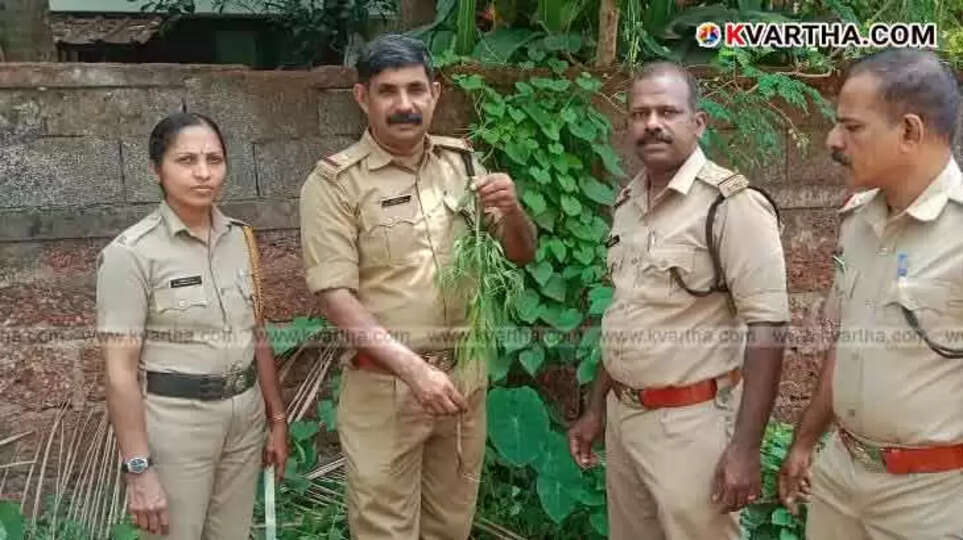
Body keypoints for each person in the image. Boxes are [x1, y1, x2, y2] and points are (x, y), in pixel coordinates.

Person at [298, 33, 536, 540]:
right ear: (362, 98)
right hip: (386, 389)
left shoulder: (464, 163)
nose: (404, 105)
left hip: (463, 383)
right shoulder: (335, 184)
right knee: (385, 531)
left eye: (415, 89)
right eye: (387, 91)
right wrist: (414, 371)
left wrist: (514, 211)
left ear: (435, 92)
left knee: (451, 527)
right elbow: (335, 297)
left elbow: (520, 253)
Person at [566, 62, 790, 539]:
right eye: (640, 113)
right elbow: (627, 313)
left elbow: (769, 329)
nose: (652, 123)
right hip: (626, 423)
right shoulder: (629, 204)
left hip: (691, 427)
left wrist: (746, 450)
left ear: (698, 122)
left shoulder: (731, 206)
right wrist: (596, 408)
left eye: (667, 111)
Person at [778, 48, 963, 539]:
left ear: (909, 131)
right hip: (841, 477)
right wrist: (805, 440)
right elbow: (849, 341)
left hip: (931, 499)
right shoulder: (859, 219)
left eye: (852, 128)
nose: (832, 140)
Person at [96, 112, 288, 539]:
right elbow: (119, 373)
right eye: (186, 161)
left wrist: (276, 418)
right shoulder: (130, 254)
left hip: (244, 415)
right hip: (177, 424)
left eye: (214, 159)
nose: (204, 173)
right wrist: (138, 469)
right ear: (156, 170)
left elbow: (257, 334)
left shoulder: (241, 238)